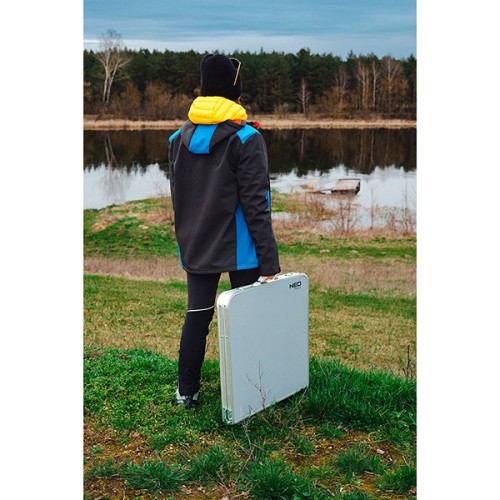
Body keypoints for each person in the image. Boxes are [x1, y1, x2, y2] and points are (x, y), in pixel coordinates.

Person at [168, 54, 281, 410]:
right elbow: (257, 205)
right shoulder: (247, 138)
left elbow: (179, 197)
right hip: (241, 248)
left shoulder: (177, 138)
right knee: (247, 319)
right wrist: (269, 261)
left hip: (196, 244)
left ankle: (186, 393)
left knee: (198, 315)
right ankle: (251, 396)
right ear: (235, 92)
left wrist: (186, 242)